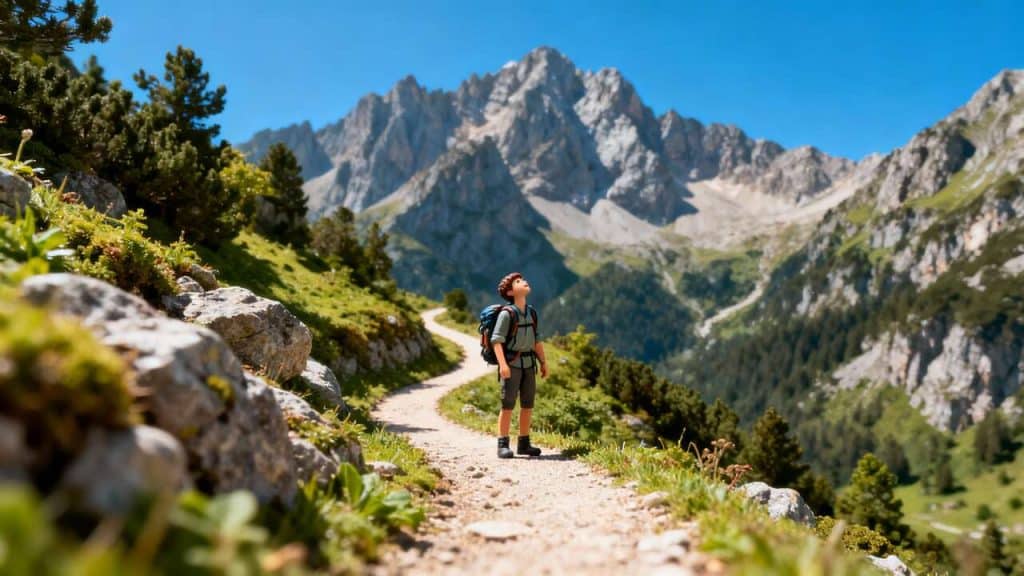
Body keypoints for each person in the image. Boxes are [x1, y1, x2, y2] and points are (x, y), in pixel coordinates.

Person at [491, 272, 548, 458]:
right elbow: (496, 341)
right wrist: (502, 365)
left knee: (527, 404)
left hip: (529, 363)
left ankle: (524, 443)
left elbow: (537, 340)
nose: (524, 281)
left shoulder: (531, 312)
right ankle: (502, 443)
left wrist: (543, 362)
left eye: (523, 279)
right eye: (518, 281)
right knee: (508, 404)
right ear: (509, 292)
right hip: (512, 363)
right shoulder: (506, 315)